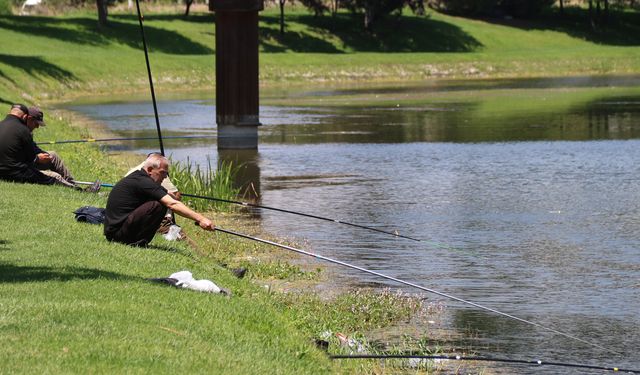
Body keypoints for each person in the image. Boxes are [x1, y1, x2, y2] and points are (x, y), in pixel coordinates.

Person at [104, 153, 215, 247]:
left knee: (161, 201)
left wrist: (168, 195)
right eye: (163, 172)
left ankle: (138, 241)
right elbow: (172, 204)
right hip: (117, 234)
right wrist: (201, 219)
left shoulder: (142, 179)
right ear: (150, 170)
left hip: (117, 232)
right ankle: (137, 242)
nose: (165, 177)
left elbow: (171, 198)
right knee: (158, 205)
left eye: (167, 173)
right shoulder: (143, 181)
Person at [0, 104, 75, 188]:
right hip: (17, 172)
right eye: (36, 123)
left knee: (53, 155)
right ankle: (75, 189)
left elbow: (33, 149)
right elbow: (31, 159)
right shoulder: (23, 131)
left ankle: (72, 183)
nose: (38, 127)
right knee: (55, 176)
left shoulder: (4, 125)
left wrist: (42, 155)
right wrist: (38, 158)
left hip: (12, 167)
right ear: (27, 118)